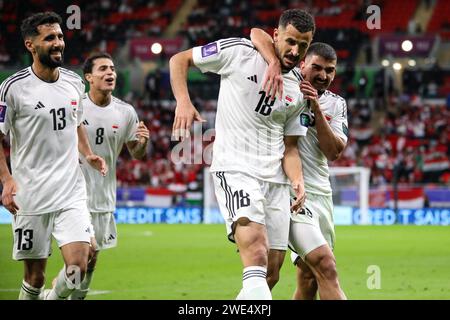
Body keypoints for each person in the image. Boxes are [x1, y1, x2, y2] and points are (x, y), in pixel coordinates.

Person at [170, 9, 315, 299]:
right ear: (276, 35)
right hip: (235, 168)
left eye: (303, 45)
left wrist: (297, 180)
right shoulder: (239, 52)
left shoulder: (298, 90)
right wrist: (183, 101)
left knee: (271, 272)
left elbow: (290, 147)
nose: (295, 50)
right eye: (289, 41)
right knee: (257, 254)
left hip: (275, 181)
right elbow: (179, 59)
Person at [0, 12, 107, 300]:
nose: (58, 42)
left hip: (70, 191)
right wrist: (6, 179)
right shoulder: (12, 88)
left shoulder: (73, 82)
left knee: (78, 266)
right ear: (30, 45)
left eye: (60, 36)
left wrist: (88, 153)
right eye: (49, 38)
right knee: (35, 279)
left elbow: (76, 122)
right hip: (30, 195)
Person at [251, 29, 348, 299]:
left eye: (330, 71)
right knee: (323, 266)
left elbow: (334, 152)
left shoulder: (336, 104)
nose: (323, 75)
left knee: (309, 277)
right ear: (303, 62)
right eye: (316, 67)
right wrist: (272, 61)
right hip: (288, 191)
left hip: (321, 195)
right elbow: (256, 34)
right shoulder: (285, 82)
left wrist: (315, 107)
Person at [66, 52, 150, 300]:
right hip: (72, 193)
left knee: (92, 258)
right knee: (85, 251)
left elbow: (136, 154)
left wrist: (143, 142)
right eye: (103, 69)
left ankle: (74, 297)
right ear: (89, 77)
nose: (110, 73)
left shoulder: (125, 112)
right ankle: (57, 295)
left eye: (112, 68)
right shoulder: (75, 106)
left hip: (103, 196)